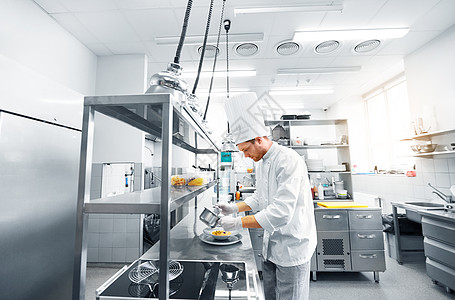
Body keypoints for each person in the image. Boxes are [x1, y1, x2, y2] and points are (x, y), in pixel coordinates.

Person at [218, 92, 317, 300]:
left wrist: (237, 223)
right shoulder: (262, 162)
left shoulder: (288, 160)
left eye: (246, 149)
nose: (245, 155)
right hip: (271, 247)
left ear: (259, 139)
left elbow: (280, 213)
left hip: (292, 248)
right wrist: (235, 208)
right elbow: (260, 197)